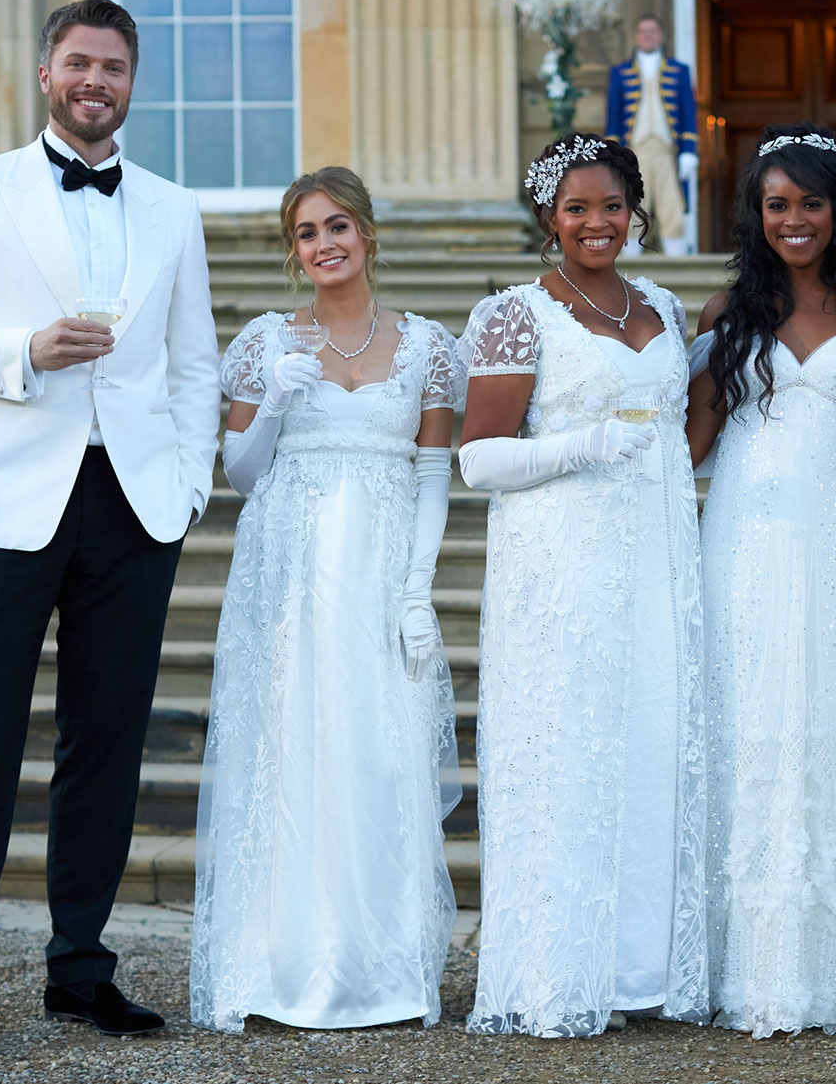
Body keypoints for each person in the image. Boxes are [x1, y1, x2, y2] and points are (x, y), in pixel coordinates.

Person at [0, 0, 220, 1057]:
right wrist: (24, 351)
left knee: (106, 744)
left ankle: (81, 966)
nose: (95, 80)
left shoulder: (173, 206)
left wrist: (190, 484)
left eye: (113, 66)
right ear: (47, 74)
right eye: (78, 62)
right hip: (5, 503)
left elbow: (198, 361)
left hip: (135, 506)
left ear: (132, 80)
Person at [190, 167, 464, 1032]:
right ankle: (283, 962)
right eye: (307, 233)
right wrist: (272, 399)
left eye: (337, 226)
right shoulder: (265, 341)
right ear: (292, 251)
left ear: (368, 234)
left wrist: (417, 591)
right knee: (292, 752)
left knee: (378, 755)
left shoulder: (426, 346)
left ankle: (379, 966)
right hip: (289, 583)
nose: (324, 245)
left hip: (379, 577)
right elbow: (238, 473)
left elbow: (430, 472)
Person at [459, 133, 708, 1036]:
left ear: (635, 210)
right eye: (576, 208)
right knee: (567, 750)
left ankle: (642, 966)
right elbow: (479, 459)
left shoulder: (666, 306)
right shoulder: (515, 314)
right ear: (547, 218)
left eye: (611, 206)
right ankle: (559, 969)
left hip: (657, 552)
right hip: (559, 561)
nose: (596, 222)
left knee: (648, 741)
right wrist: (582, 447)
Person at [685, 124, 836, 1038]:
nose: (794, 219)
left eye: (810, 202)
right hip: (740, 539)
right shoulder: (722, 315)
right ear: (755, 215)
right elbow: (687, 447)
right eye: (777, 204)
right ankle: (744, 961)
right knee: (749, 722)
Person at [605, 15, 700, 256]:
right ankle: (630, 261)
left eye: (653, 31)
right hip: (635, 150)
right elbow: (613, 116)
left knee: (672, 206)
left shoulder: (679, 71)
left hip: (667, 149)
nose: (648, 36)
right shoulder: (620, 72)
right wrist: (614, 154)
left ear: (661, 36)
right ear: (636, 37)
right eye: (643, 32)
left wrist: (689, 151)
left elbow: (689, 112)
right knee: (634, 204)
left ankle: (676, 259)